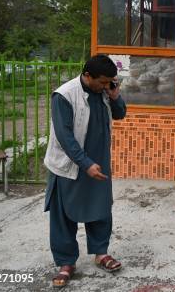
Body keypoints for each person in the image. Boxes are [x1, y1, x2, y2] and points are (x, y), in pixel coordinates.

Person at [43, 55, 127, 288]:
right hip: (69, 164)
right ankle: (66, 262)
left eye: (110, 82)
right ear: (87, 76)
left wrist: (115, 96)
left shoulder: (105, 90)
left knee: (100, 209)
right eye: (102, 82)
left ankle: (101, 253)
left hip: (99, 161)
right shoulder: (64, 95)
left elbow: (120, 114)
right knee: (63, 215)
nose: (105, 86)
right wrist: (85, 163)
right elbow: (64, 136)